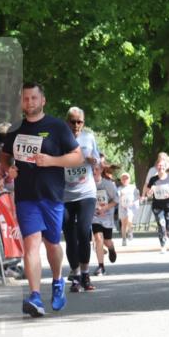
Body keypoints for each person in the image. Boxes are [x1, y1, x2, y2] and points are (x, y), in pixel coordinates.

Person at [0, 83, 82, 317]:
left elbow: (78, 157)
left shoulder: (56, 126)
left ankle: (57, 281)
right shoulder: (16, 129)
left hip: (52, 195)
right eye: (25, 99)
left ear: (42, 100)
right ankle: (35, 296)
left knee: (52, 243)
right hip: (26, 196)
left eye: (34, 98)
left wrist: (52, 161)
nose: (30, 103)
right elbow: (5, 158)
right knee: (31, 243)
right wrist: (9, 169)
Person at [61, 107, 99, 293]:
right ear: (67, 121)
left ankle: (85, 273)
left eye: (80, 122)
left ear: (83, 123)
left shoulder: (89, 137)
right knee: (69, 235)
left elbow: (98, 160)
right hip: (65, 194)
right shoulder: (59, 138)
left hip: (86, 192)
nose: (76, 125)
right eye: (73, 121)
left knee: (84, 232)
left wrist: (93, 160)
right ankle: (75, 275)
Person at [145, 158, 169, 253]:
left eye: (162, 166)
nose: (161, 167)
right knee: (161, 224)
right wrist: (149, 192)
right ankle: (163, 245)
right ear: (156, 167)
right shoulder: (153, 179)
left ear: (165, 167)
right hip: (157, 206)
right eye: (159, 166)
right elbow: (148, 192)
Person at [91, 164, 119, 276]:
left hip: (107, 216)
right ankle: (101, 266)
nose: (94, 171)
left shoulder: (108, 184)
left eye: (97, 169)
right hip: (94, 216)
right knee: (98, 238)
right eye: (92, 169)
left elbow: (116, 200)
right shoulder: (87, 185)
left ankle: (111, 248)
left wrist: (104, 208)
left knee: (107, 241)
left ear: (101, 170)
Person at [117, 173, 139, 245]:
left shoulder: (133, 187)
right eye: (123, 178)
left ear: (129, 179)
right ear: (121, 180)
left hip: (131, 207)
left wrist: (133, 203)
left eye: (126, 178)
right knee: (123, 224)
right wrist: (120, 196)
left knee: (129, 221)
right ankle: (124, 239)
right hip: (122, 207)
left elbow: (137, 196)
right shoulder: (119, 188)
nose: (125, 180)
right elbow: (117, 197)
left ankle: (130, 231)